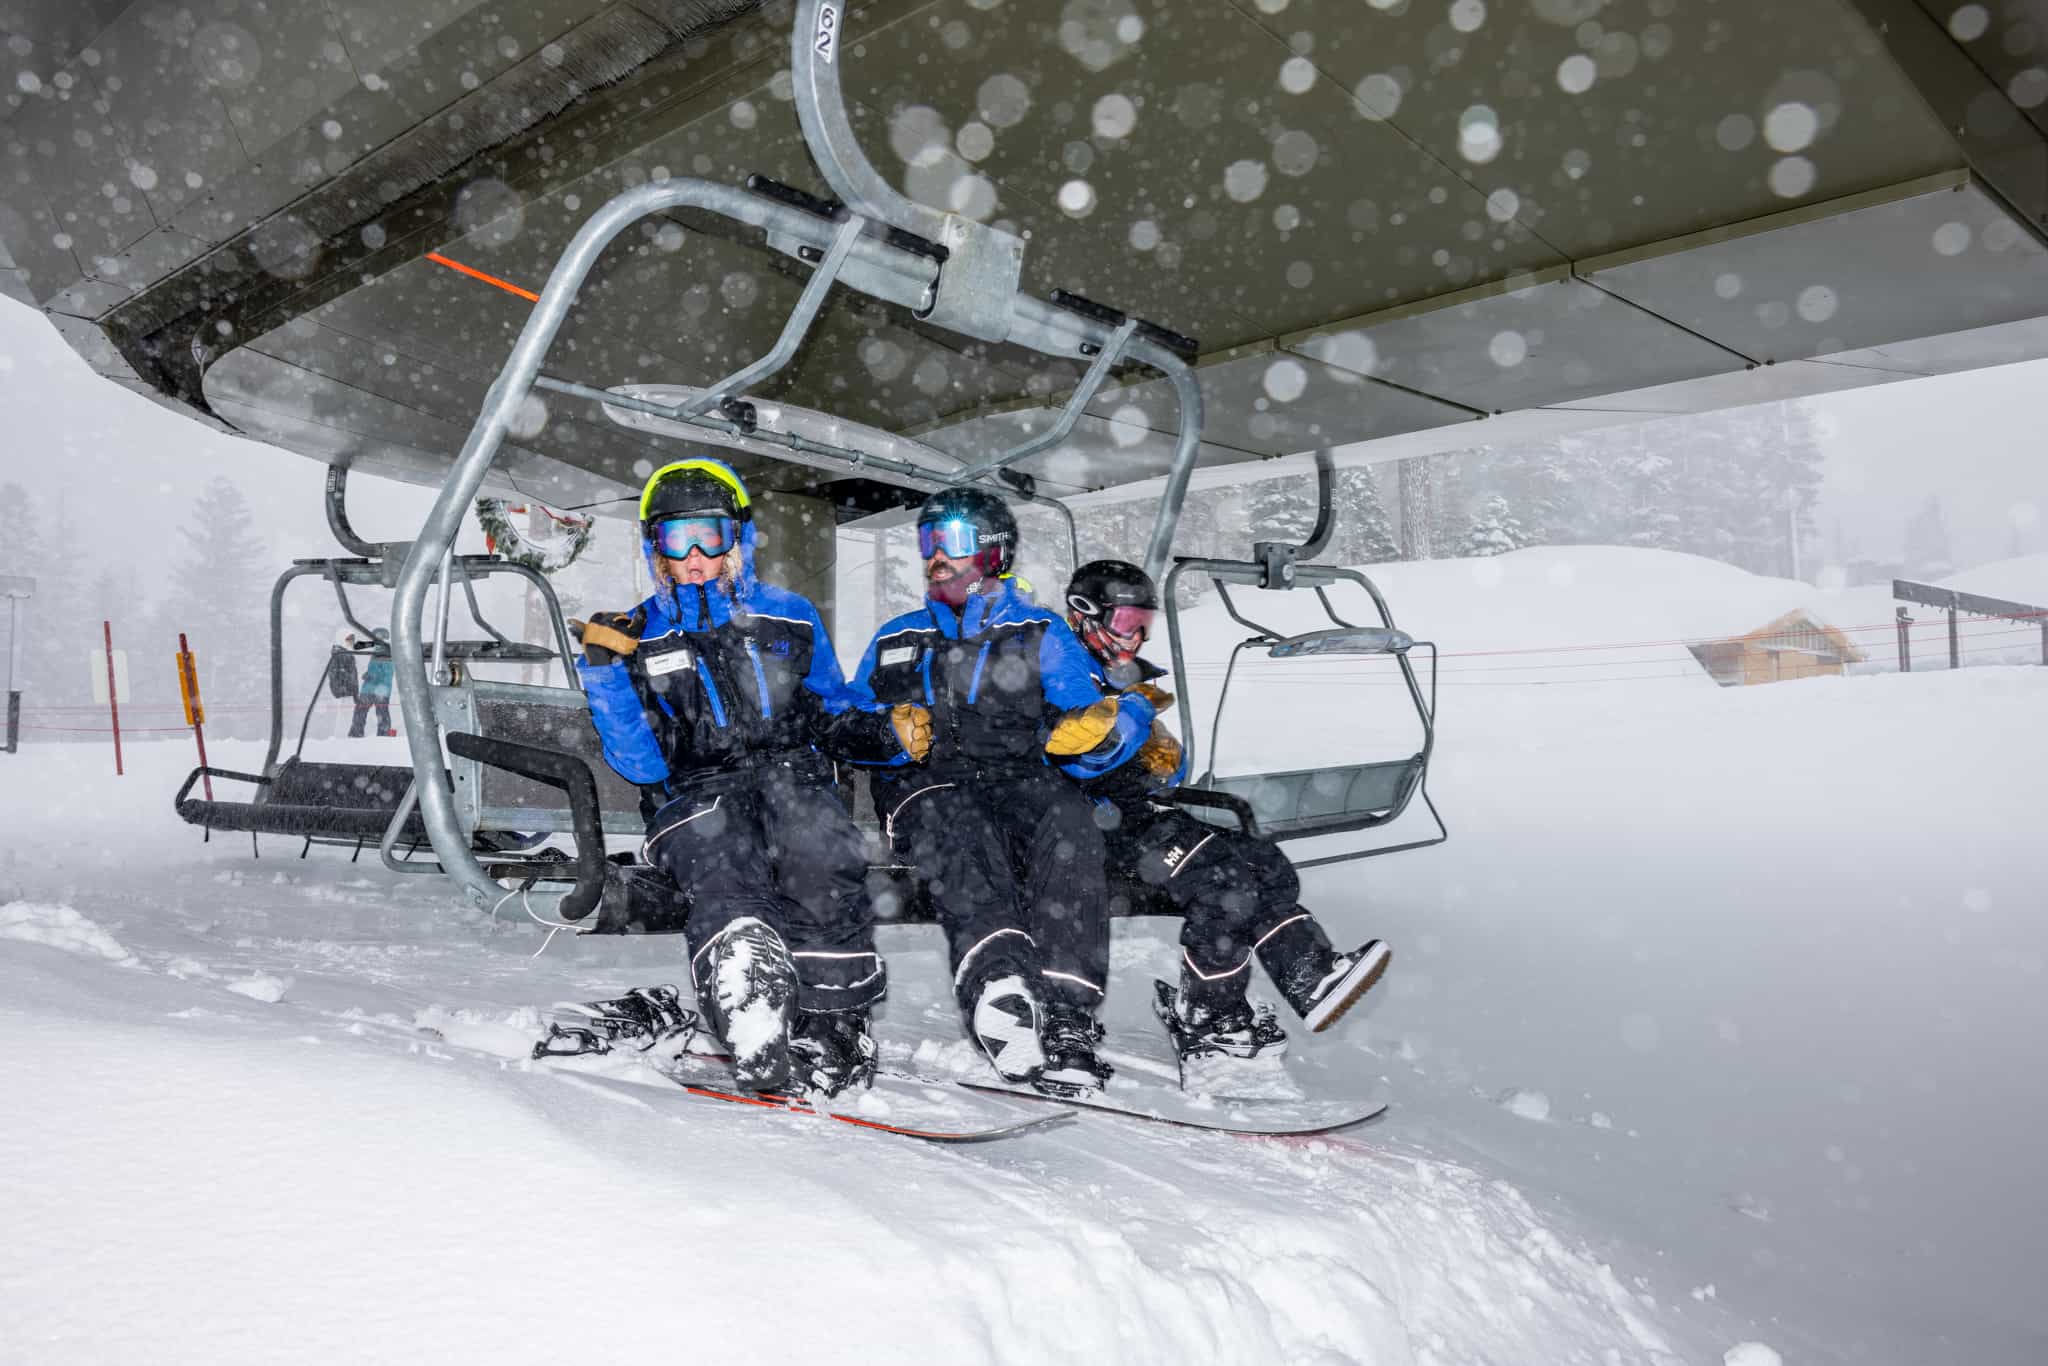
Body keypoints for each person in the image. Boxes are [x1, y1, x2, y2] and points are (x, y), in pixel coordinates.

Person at [576, 457, 921, 1096]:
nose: (698, 555)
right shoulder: (638, 635)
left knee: (822, 854)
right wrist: (605, 675)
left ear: (739, 534)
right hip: (696, 792)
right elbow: (640, 763)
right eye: (678, 540)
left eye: (710, 533)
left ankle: (833, 1024)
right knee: (725, 861)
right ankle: (748, 994)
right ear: (656, 547)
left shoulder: (787, 615)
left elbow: (831, 709)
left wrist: (889, 735)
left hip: (795, 776)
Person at [845, 488, 1154, 1096]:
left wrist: (1107, 731)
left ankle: (1066, 1017)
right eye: (929, 542)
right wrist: (886, 735)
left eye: (953, 543)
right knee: (956, 824)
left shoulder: (1038, 633)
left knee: (1069, 820)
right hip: (925, 781)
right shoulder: (897, 637)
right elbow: (846, 726)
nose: (936, 556)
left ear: (994, 552)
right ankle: (999, 986)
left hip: (1018, 777)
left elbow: (1092, 722)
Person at [1061, 559, 1392, 1081]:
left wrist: (1159, 749)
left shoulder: (1119, 677)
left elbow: (1160, 761)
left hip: (1136, 816)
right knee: (1223, 881)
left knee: (1265, 866)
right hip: (1088, 830)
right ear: (1085, 615)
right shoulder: (1064, 672)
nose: (1137, 637)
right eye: (1127, 623)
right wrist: (1133, 716)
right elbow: (1084, 756)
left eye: (1144, 624)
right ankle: (1209, 1017)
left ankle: (1310, 975)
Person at [346, 628, 396, 737]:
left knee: (381, 713)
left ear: (382, 637)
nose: (373, 639)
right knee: (360, 712)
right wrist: (349, 642)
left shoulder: (389, 649)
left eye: (375, 637)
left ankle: (383, 735)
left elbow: (387, 671)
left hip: (381, 690)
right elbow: (358, 646)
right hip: (369, 688)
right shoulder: (375, 646)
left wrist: (371, 676)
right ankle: (356, 734)